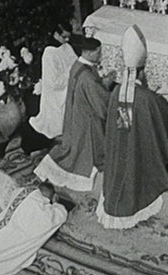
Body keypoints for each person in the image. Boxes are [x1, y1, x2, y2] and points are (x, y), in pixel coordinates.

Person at [96, 25, 168, 229]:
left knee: (124, 148)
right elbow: (162, 113)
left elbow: (123, 125)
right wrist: (158, 98)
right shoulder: (146, 98)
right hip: (138, 146)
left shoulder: (117, 93)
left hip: (122, 143)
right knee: (140, 155)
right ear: (141, 72)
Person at [33, 36, 116, 192]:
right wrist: (108, 85)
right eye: (98, 53)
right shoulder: (87, 77)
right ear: (90, 53)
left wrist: (102, 83)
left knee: (73, 147)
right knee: (83, 153)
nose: (100, 56)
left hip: (76, 115)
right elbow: (101, 104)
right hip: (87, 120)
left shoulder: (77, 65)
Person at [29, 22, 78, 139]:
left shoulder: (67, 46)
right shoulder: (49, 53)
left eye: (68, 37)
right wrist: (71, 73)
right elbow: (53, 82)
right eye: (64, 36)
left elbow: (75, 61)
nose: (67, 40)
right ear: (56, 34)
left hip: (68, 84)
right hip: (56, 93)